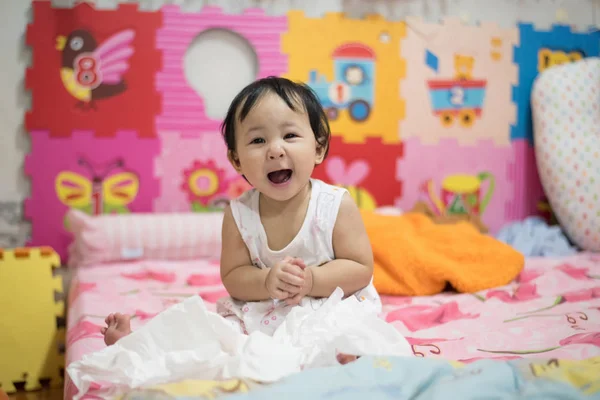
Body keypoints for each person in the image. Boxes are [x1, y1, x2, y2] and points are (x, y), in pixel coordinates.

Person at [101, 77, 381, 362]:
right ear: (236, 161)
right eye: (258, 140)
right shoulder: (239, 215)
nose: (275, 149)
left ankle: (337, 361)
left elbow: (360, 268)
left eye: (290, 136)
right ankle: (139, 348)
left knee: (351, 334)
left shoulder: (334, 205)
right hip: (267, 313)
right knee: (215, 336)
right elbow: (234, 277)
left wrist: (311, 280)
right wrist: (266, 282)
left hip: (329, 305)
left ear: (318, 148)